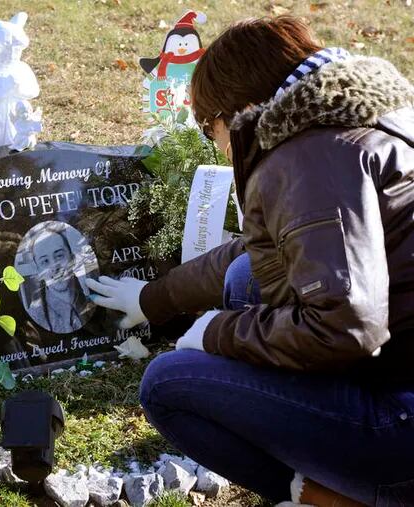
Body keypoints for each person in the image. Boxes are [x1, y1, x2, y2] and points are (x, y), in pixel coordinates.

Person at [87, 16, 414, 506]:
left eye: (209, 128)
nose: (218, 147)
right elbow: (260, 251)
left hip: (401, 423)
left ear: (240, 110)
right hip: (398, 362)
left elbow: (347, 328)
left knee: (167, 383)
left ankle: (318, 496)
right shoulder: (366, 115)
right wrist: (153, 299)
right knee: (246, 279)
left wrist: (216, 332)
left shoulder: (310, 155)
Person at [26, 226, 92, 334]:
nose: (54, 267)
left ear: (72, 259)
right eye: (45, 261)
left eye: (59, 256)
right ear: (38, 270)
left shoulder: (92, 299)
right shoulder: (36, 315)